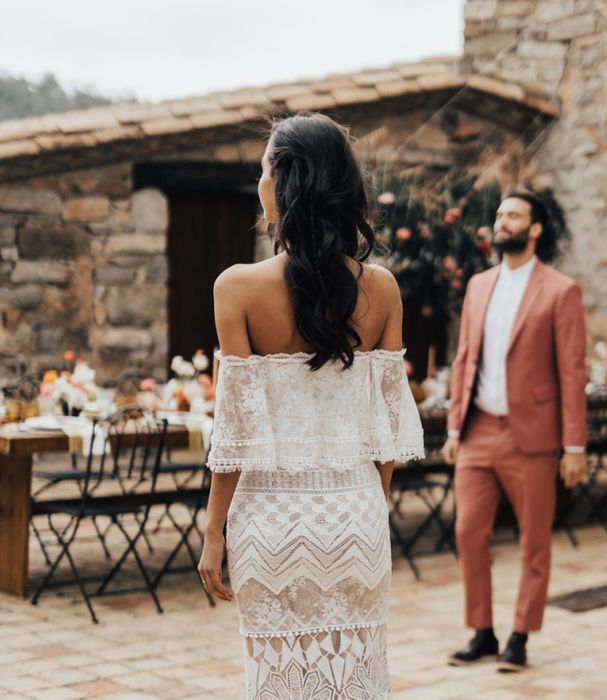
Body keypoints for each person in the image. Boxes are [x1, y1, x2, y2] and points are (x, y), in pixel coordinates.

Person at [198, 113, 425, 699]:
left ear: (283, 184)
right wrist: (365, 510)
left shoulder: (236, 288)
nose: (258, 184)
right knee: (356, 681)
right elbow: (387, 430)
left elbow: (237, 431)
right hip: (356, 518)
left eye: (263, 171)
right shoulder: (383, 290)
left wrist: (213, 532)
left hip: (270, 527)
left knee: (279, 684)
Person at [442, 189, 587, 672]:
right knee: (467, 531)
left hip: (533, 436)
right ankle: (482, 632)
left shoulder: (561, 291)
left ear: (536, 228)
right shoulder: (479, 285)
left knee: (534, 540)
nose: (502, 222)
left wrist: (574, 445)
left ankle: (520, 636)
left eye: (514, 215)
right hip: (478, 430)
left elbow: (572, 371)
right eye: (500, 214)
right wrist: (453, 428)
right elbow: (464, 359)